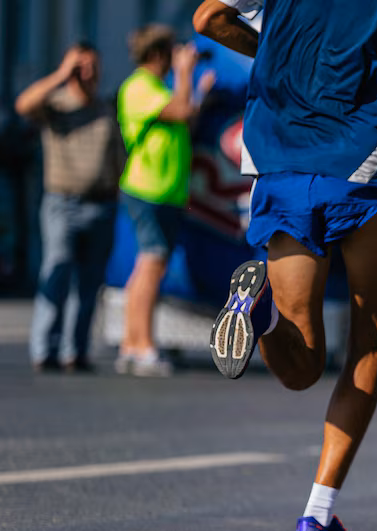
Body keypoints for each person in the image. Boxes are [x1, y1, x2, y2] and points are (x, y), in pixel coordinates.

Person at [194, 0, 377, 531]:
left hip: (278, 157)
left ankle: (259, 315)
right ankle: (316, 516)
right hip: (361, 159)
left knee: (301, 361)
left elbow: (208, 17)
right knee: (369, 338)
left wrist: (280, 54)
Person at [15, 42, 124, 372]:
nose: (89, 73)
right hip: (63, 203)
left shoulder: (106, 109)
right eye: (82, 66)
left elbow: (119, 154)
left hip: (101, 204)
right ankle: (43, 348)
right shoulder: (57, 105)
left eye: (94, 66)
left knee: (89, 282)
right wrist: (62, 74)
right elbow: (23, 105)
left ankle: (74, 350)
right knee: (57, 268)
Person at [116, 25, 211, 376]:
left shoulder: (157, 89)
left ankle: (131, 343)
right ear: (158, 55)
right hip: (148, 189)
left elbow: (182, 116)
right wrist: (186, 74)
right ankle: (141, 346)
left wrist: (197, 91)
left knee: (148, 267)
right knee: (151, 265)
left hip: (165, 190)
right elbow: (181, 112)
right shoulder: (138, 86)